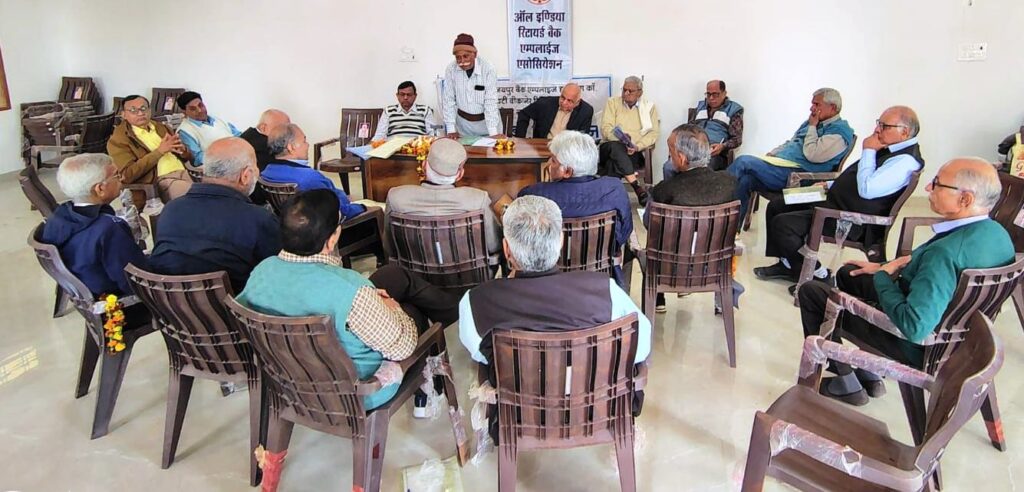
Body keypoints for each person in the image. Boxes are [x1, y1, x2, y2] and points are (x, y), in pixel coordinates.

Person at [797, 158, 1014, 405]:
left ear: (965, 199)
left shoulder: (944, 254)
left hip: (920, 345)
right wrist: (886, 266)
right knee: (850, 274)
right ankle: (869, 373)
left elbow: (914, 326)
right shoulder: (998, 235)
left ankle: (847, 383)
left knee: (812, 294)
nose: (928, 188)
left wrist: (883, 276)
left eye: (937, 184)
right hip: (958, 336)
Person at [238, 189, 461, 412]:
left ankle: (457, 309)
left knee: (392, 275)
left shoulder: (262, 272)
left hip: (290, 382)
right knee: (412, 312)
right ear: (332, 239)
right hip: (357, 391)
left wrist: (371, 298)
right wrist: (394, 308)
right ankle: (428, 393)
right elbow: (402, 349)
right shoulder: (351, 290)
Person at [458, 195, 651, 431]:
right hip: (598, 411)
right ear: (561, 241)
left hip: (519, 417)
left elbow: (480, 355)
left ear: (506, 248)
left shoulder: (476, 301)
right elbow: (640, 346)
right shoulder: (604, 289)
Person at [755, 106, 924, 290]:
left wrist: (868, 151)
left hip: (851, 218)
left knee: (784, 224)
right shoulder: (891, 148)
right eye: (878, 123)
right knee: (779, 203)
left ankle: (819, 275)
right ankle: (788, 264)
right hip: (835, 201)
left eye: (884, 126)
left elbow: (867, 189)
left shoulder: (905, 161)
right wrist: (828, 185)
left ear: (904, 132)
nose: (877, 129)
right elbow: (857, 176)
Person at [148, 138, 280, 292]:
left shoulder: (171, 209)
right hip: (236, 304)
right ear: (245, 176)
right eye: (256, 166)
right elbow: (281, 274)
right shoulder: (259, 220)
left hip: (172, 304)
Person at [517, 130, 631, 285]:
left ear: (567, 171)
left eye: (553, 161)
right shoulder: (614, 189)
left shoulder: (533, 195)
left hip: (547, 283)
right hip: (600, 281)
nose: (549, 163)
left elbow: (523, 243)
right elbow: (623, 233)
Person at [646, 124, 739, 312]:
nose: (669, 156)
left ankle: (658, 299)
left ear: (681, 158)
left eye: (670, 151)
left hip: (672, 268)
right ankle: (722, 302)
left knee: (655, 241)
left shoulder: (664, 190)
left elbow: (650, 224)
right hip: (715, 265)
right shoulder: (729, 183)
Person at [41, 154, 149, 315]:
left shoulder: (59, 216)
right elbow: (134, 280)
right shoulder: (109, 228)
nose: (121, 179)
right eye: (116, 175)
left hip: (90, 294)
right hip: (118, 305)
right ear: (100, 189)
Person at [728, 88, 855, 222]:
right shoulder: (813, 122)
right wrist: (773, 153)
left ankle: (715, 202)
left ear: (833, 107)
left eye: (817, 104)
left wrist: (812, 127)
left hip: (800, 176)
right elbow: (792, 142)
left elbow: (813, 154)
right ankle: (730, 230)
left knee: (743, 162)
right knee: (746, 180)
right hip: (782, 167)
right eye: (812, 104)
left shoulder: (840, 132)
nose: (812, 108)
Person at [385, 138, 500, 255]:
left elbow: (390, 248)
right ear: (460, 174)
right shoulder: (478, 199)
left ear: (423, 166)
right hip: (469, 267)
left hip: (410, 267)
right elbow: (494, 245)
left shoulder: (396, 197)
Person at [262, 123, 367, 220]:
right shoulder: (310, 178)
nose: (307, 145)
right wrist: (361, 207)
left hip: (288, 226)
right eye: (304, 141)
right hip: (323, 228)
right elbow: (338, 212)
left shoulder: (266, 172)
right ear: (291, 147)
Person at [106, 94, 193, 204]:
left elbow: (187, 157)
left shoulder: (161, 127)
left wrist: (183, 151)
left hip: (184, 172)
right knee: (195, 198)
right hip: (160, 181)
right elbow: (127, 175)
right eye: (133, 110)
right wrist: (159, 152)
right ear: (124, 115)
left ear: (149, 110)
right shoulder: (119, 140)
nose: (140, 113)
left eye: (143, 108)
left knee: (212, 190)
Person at [599, 76, 660, 206]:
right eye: (624, 90)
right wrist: (621, 139)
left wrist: (638, 146)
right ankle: (636, 186)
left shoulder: (649, 107)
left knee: (612, 164)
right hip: (609, 147)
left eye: (630, 91)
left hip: (632, 152)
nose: (626, 93)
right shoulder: (612, 103)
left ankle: (611, 202)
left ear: (640, 93)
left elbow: (653, 133)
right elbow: (606, 128)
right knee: (616, 147)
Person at [664, 80, 743, 178]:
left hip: (712, 154)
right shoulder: (700, 107)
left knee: (701, 170)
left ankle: (696, 189)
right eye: (708, 94)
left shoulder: (734, 110)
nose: (711, 98)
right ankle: (671, 189)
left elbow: (737, 139)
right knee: (668, 167)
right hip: (691, 150)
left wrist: (722, 146)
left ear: (724, 93)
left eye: (715, 94)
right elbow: (687, 130)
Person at [442, 33, 502, 139]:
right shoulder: (451, 69)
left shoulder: (488, 68)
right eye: (458, 58)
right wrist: (451, 129)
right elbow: (448, 99)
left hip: (487, 126)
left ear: (475, 54)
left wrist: (493, 133)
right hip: (463, 127)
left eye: (466, 56)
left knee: (490, 149)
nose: (462, 61)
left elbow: (490, 101)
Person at [175, 91, 242, 165]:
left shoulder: (217, 119)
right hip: (221, 164)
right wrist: (224, 153)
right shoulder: (185, 131)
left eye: (200, 105)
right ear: (184, 112)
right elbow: (197, 159)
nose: (199, 110)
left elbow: (238, 135)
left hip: (239, 155)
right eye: (193, 109)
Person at [513, 82, 594, 139]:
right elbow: (524, 113)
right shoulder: (545, 104)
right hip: (544, 146)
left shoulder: (585, 111)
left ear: (577, 102)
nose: (564, 102)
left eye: (569, 101)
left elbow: (582, 139)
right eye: (562, 97)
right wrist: (520, 139)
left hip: (567, 150)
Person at [372, 81, 437, 140]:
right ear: (397, 96)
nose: (405, 98)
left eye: (409, 95)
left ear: (415, 96)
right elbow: (379, 135)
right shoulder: (388, 111)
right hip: (393, 146)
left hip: (417, 146)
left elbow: (433, 133)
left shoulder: (425, 110)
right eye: (402, 94)